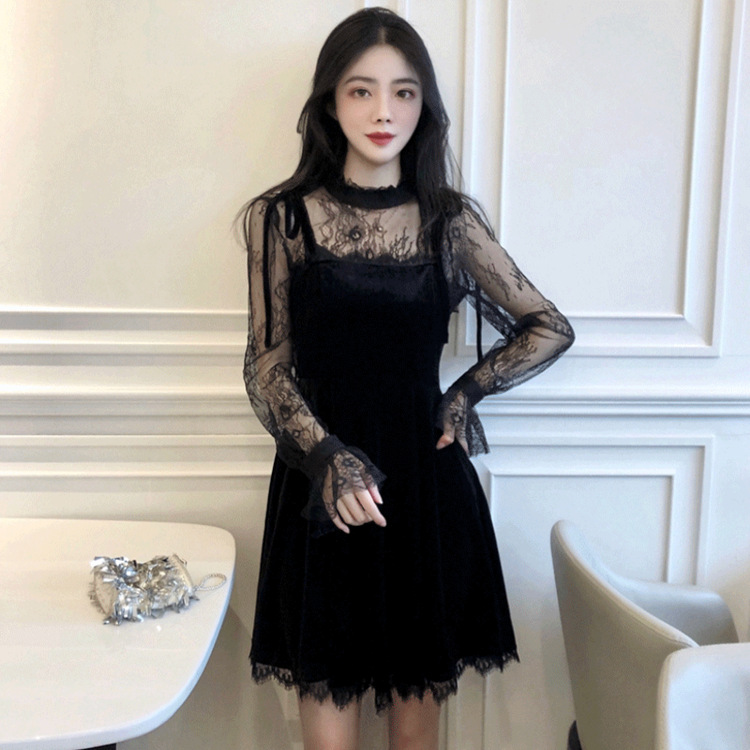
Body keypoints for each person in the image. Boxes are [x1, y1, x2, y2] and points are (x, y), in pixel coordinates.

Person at [239, 7, 574, 750]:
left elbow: (548, 326)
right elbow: (268, 368)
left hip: (423, 490)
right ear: (331, 103)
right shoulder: (283, 219)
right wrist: (329, 456)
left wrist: (464, 393)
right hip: (322, 493)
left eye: (403, 92)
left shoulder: (449, 222)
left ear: (424, 107)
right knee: (328, 742)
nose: (383, 111)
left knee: (416, 741)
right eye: (361, 91)